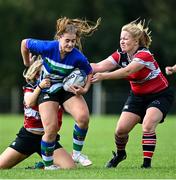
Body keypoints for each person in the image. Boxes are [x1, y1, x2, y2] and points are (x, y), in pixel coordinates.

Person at [91, 19, 174, 168]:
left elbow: (127, 71)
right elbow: (98, 66)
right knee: (120, 131)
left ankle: (146, 165)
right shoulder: (120, 55)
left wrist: (104, 76)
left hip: (160, 95)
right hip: (137, 97)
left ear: (136, 41)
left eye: (125, 38)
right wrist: (76, 64)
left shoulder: (144, 55)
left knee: (148, 125)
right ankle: (120, 154)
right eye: (121, 38)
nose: (122, 41)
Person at [21, 17, 101, 169]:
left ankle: (76, 154)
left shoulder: (77, 56)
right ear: (59, 38)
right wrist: (27, 63)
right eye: (67, 40)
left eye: (73, 40)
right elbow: (24, 43)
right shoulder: (47, 47)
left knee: (83, 118)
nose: (71, 44)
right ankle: (48, 165)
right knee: (51, 130)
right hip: (47, 88)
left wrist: (85, 89)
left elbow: (89, 72)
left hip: (65, 88)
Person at [0, 59, 75, 169]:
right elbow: (29, 102)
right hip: (28, 137)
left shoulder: (57, 91)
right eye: (44, 73)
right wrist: (40, 87)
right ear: (36, 75)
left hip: (49, 139)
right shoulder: (30, 88)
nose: (49, 77)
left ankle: (41, 166)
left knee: (70, 167)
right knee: (1, 166)